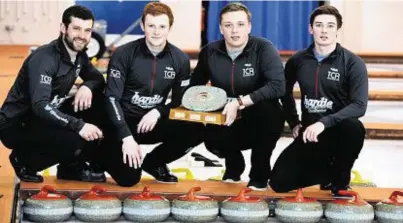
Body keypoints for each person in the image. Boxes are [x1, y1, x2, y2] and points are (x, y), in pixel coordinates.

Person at [99, 2, 203, 187]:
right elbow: (111, 98)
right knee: (128, 179)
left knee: (195, 128)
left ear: (169, 27)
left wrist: (158, 111)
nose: (156, 32)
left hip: (151, 120)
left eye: (162, 26)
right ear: (142, 26)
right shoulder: (124, 54)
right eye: (151, 26)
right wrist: (126, 137)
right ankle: (96, 158)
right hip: (122, 123)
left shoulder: (180, 59)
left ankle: (154, 163)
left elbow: (180, 101)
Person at [269, 5, 368, 196]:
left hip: (338, 131)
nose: (324, 30)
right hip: (310, 134)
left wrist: (324, 123)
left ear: (338, 29)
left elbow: (359, 105)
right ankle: (327, 173)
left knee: (354, 128)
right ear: (310, 28)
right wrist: (294, 122)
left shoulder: (352, 63)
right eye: (319, 25)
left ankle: (340, 178)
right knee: (279, 183)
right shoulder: (298, 60)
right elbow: (283, 91)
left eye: (330, 26)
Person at [0, 5, 107, 183]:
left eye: (87, 30)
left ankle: (70, 168)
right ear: (63, 28)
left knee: (99, 102)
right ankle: (24, 160)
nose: (82, 35)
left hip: (42, 115)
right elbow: (40, 105)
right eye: (76, 28)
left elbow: (97, 79)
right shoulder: (45, 58)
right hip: (16, 123)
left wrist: (87, 86)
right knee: (75, 138)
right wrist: (78, 125)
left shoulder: (79, 55)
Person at [190, 2, 285, 191]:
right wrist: (208, 102)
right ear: (220, 28)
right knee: (207, 132)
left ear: (249, 26)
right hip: (227, 118)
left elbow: (278, 86)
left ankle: (259, 174)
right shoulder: (210, 52)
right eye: (228, 25)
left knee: (268, 111)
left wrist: (240, 102)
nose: (235, 30)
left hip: (259, 118)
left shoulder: (264, 48)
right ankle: (234, 165)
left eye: (240, 24)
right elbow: (194, 87)